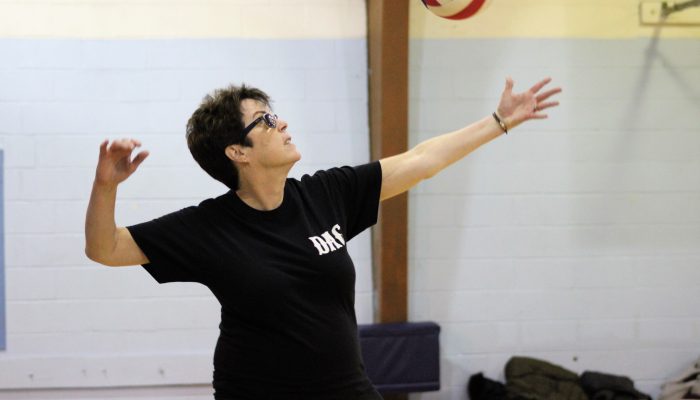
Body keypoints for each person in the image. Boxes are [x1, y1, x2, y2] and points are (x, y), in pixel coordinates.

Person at [84, 77, 561, 399]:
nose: (281, 123)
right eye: (264, 121)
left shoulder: (326, 194)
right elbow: (104, 249)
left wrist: (498, 122)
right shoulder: (209, 227)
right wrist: (106, 186)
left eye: (275, 114)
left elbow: (420, 160)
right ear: (237, 152)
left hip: (346, 388)